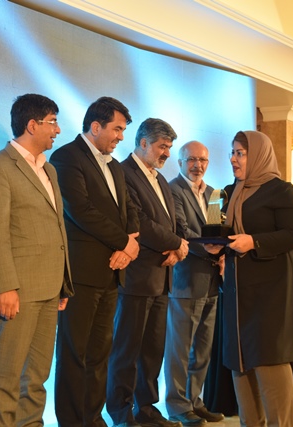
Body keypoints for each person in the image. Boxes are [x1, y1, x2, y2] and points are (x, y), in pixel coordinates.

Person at [0, 93, 74, 426]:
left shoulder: (48, 169)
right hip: (17, 290)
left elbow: (57, 227)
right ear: (32, 125)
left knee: (36, 377)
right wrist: (5, 286)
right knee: (7, 375)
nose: (58, 130)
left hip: (50, 287)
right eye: (52, 123)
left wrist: (63, 283)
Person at [51, 96, 140, 427]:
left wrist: (130, 245)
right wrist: (124, 242)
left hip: (112, 274)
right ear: (95, 126)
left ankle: (93, 418)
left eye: (123, 130)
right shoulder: (66, 157)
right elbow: (80, 210)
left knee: (101, 353)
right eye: (117, 129)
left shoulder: (115, 166)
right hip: (81, 273)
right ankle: (72, 421)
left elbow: (129, 210)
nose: (120, 137)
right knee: (74, 353)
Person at [213, 130, 293, 427]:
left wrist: (253, 241)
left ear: (259, 156)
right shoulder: (230, 192)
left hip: (272, 288)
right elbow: (226, 232)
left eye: (240, 153)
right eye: (232, 152)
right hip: (238, 289)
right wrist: (216, 245)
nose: (233, 159)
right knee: (239, 361)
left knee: (268, 357)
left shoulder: (281, 191)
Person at [107, 118, 186, 427]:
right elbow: (139, 221)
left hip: (162, 279)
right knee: (126, 351)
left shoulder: (161, 180)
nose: (166, 153)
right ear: (142, 143)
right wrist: (176, 243)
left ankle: (147, 408)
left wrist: (178, 246)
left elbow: (174, 222)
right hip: (135, 279)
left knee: (152, 352)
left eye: (169, 147)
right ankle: (121, 412)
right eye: (162, 146)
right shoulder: (122, 173)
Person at [165, 141, 224, 426]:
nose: (197, 165)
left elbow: (215, 230)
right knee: (180, 350)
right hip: (185, 281)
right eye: (191, 159)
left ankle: (194, 402)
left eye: (202, 160)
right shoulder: (172, 189)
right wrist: (211, 249)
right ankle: (177, 406)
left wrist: (221, 249)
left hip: (211, 281)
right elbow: (181, 229)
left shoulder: (214, 194)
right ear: (179, 162)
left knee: (202, 349)